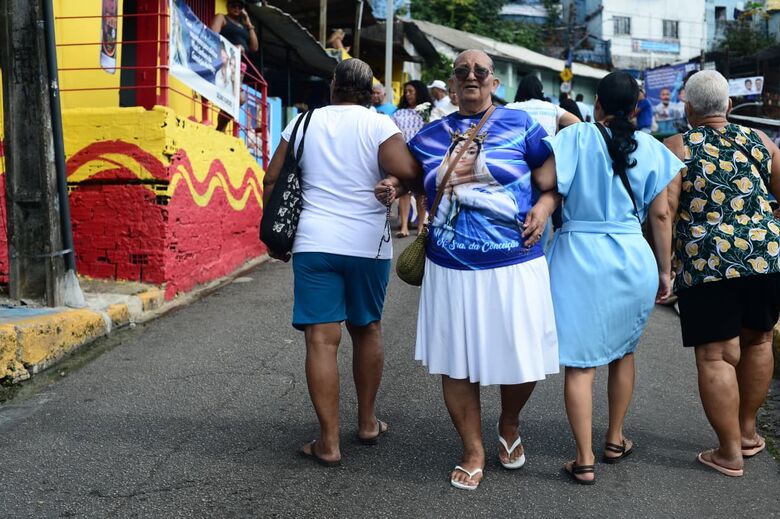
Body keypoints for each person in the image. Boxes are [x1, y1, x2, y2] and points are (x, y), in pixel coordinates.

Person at [375, 49, 559, 491]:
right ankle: (472, 449)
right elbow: (412, 176)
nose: (471, 76)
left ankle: (509, 423)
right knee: (456, 362)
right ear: (453, 85)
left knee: (523, 358)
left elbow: (550, 177)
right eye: (463, 71)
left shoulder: (521, 124)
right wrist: (392, 185)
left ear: (495, 82)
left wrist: (544, 206)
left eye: (480, 71)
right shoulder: (430, 135)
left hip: (515, 261)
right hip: (451, 267)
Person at [261, 58, 419, 466]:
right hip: (367, 245)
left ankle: (328, 442)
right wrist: (394, 183)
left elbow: (272, 179)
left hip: (315, 242)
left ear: (333, 85)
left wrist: (274, 236)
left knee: (321, 338)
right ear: (370, 93)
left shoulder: (302, 123)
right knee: (367, 329)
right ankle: (367, 423)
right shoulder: (378, 125)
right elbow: (411, 173)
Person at [542, 70, 683, 484]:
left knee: (579, 363)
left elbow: (545, 180)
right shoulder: (652, 148)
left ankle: (583, 458)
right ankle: (615, 439)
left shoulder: (576, 137)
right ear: (637, 109)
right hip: (631, 257)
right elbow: (661, 215)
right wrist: (665, 271)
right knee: (624, 352)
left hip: (577, 257)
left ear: (597, 104)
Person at [663, 70, 780, 477]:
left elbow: (665, 211)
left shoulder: (677, 147)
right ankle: (747, 433)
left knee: (716, 354)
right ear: (729, 105)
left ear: (688, 109)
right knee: (759, 340)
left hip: (707, 261)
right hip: (765, 257)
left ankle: (729, 452)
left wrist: (664, 264)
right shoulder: (761, 140)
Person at [392, 80, 432, 237]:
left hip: (422, 155)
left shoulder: (428, 112)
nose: (407, 95)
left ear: (419, 93)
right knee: (405, 192)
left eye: (411, 91)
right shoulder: (399, 113)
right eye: (406, 92)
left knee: (421, 192)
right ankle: (404, 226)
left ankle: (421, 225)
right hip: (403, 154)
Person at [506, 75, 580, 137]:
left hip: (519, 149)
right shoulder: (553, 108)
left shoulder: (511, 108)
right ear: (540, 90)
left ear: (520, 90)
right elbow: (577, 122)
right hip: (548, 149)